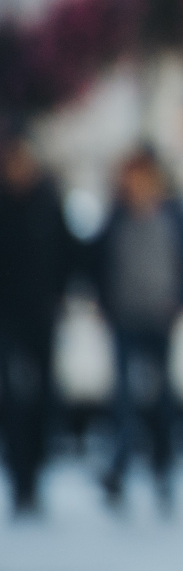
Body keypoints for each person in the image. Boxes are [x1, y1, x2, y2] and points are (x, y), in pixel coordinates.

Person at [88, 146, 183, 512]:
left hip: (160, 320)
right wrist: (103, 304)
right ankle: (120, 471)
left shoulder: (174, 215)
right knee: (123, 402)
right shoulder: (117, 215)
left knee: (162, 403)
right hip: (125, 319)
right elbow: (97, 262)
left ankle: (163, 473)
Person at [0, 127, 77, 518]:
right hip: (8, 317)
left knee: (44, 397)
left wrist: (64, 293)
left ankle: (37, 475)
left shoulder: (48, 199)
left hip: (43, 313)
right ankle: (19, 478)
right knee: (12, 398)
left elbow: (66, 251)